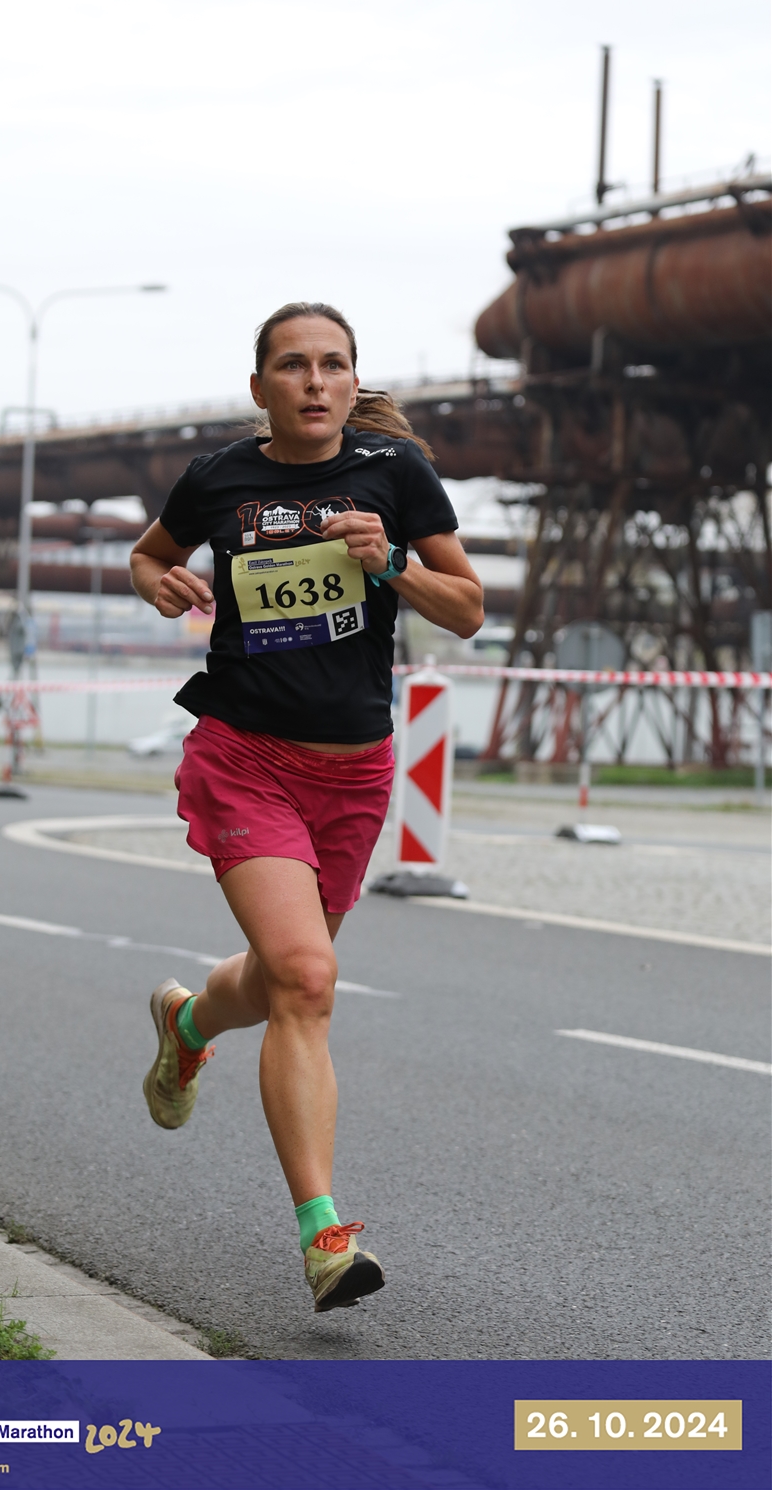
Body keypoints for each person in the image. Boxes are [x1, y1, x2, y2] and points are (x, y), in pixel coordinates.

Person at [130, 302, 483, 1312]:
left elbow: (468, 609)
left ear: (351, 381)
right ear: (261, 388)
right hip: (244, 759)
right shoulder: (218, 479)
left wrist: (393, 564)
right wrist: (162, 583)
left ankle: (187, 1021)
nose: (315, 381)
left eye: (333, 364)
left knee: (282, 979)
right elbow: (148, 554)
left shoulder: (394, 474)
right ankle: (324, 1237)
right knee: (308, 977)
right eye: (293, 365)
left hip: (355, 774)